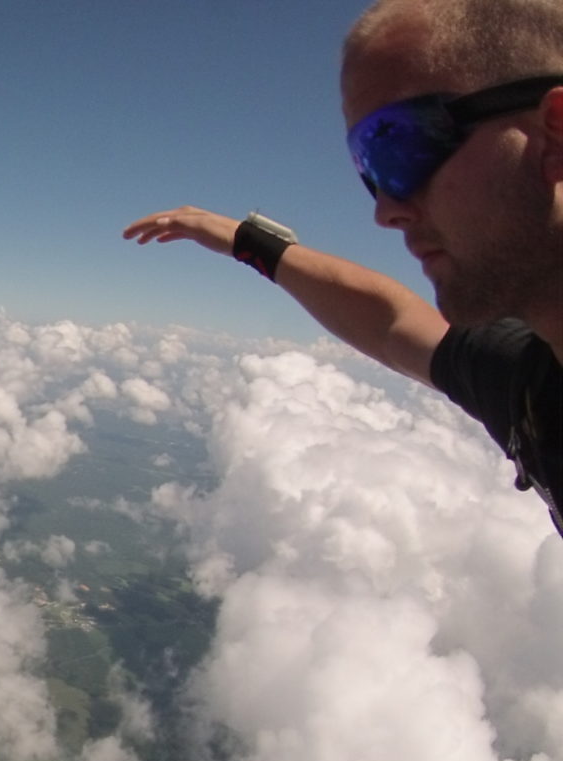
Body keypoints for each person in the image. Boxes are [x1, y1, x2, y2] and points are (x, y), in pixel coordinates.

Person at [124, 0, 562, 535]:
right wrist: (246, 241)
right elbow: (392, 323)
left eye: (400, 147)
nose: (385, 211)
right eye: (369, 170)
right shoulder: (532, 387)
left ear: (555, 131)